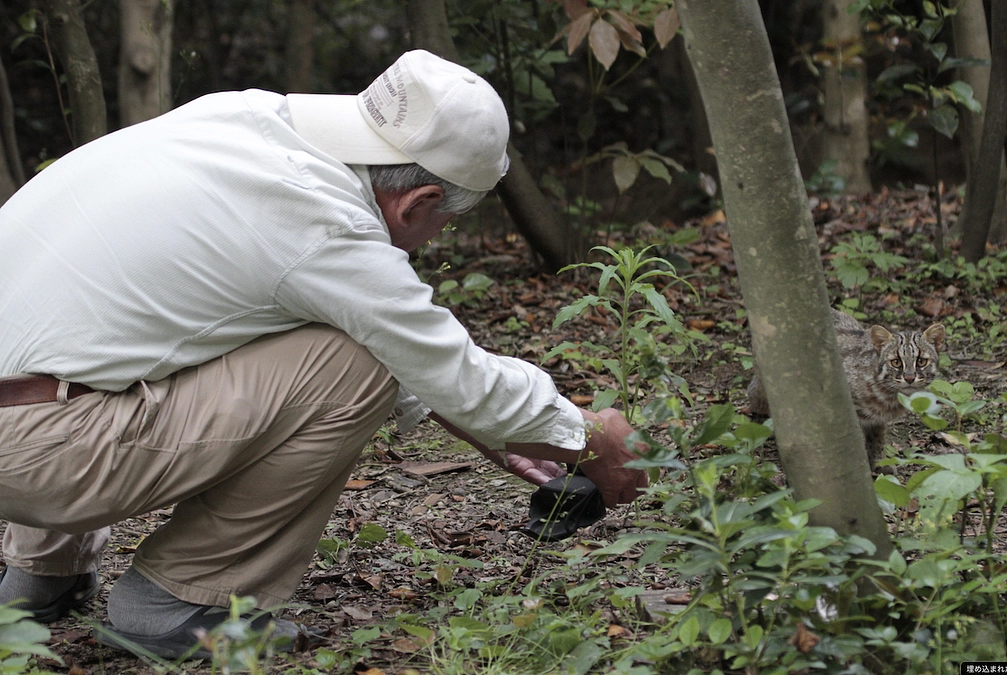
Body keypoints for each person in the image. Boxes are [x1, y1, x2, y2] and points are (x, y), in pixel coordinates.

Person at [0, 50, 648, 660]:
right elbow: (437, 360)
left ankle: (43, 573)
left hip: (23, 424)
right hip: (41, 453)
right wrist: (586, 435)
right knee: (360, 358)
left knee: (102, 324)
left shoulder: (239, 118)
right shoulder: (324, 221)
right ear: (419, 202)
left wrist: (482, 428)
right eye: (439, 224)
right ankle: (179, 601)